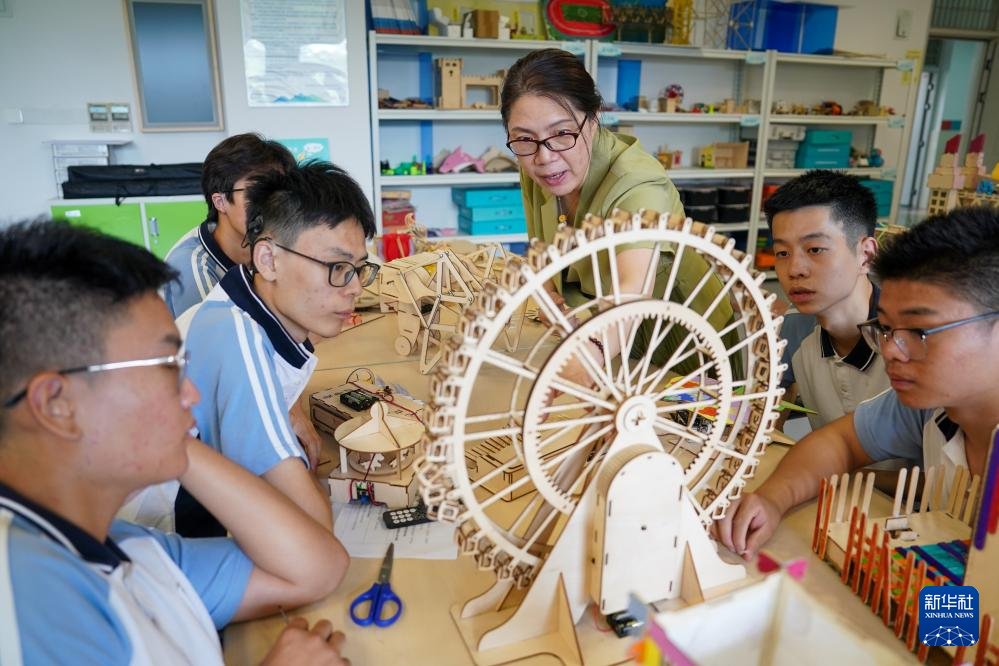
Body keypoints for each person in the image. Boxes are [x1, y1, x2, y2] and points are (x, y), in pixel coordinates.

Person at [0, 220, 349, 665]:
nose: (191, 394)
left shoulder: (121, 546)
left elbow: (315, 567)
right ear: (56, 404)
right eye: (165, 366)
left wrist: (172, 441)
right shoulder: (25, 600)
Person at [716, 206, 999, 561]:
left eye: (919, 331)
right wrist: (771, 500)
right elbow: (840, 442)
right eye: (886, 328)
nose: (891, 350)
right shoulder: (933, 408)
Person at [164, 161, 378, 537]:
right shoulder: (238, 340)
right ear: (268, 260)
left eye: (359, 267)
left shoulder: (243, 302)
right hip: (171, 539)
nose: (356, 288)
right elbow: (312, 533)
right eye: (336, 266)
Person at [500, 48, 736, 381]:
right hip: (604, 335)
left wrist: (588, 354)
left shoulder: (637, 182)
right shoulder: (537, 164)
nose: (545, 157)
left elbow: (632, 290)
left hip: (685, 342)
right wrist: (548, 297)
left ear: (593, 119)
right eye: (524, 138)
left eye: (562, 134)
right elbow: (541, 249)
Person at [765, 170, 885, 430]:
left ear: (865, 255)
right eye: (782, 252)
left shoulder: (911, 340)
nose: (794, 269)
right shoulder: (793, 329)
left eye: (815, 249)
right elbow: (766, 420)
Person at [162, 133, 296, 319]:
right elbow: (215, 334)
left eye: (279, 192)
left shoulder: (276, 244)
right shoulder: (192, 267)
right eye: (257, 192)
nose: (272, 204)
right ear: (220, 202)